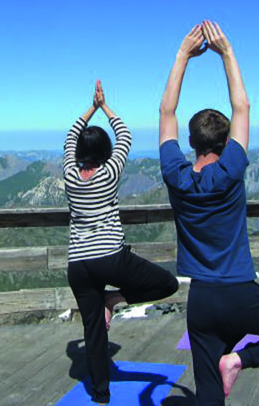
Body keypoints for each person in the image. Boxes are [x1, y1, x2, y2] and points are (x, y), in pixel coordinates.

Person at [158, 22, 259, 405]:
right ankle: (240, 360)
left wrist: (182, 56)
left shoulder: (175, 175)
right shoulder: (230, 171)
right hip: (240, 295)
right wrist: (226, 52)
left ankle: (227, 365)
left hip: (201, 300)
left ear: (189, 143)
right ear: (226, 143)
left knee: (209, 397)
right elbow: (242, 106)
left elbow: (166, 111)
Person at [64, 80, 179, 403]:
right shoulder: (110, 172)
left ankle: (100, 393)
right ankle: (114, 300)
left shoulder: (69, 175)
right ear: (105, 152)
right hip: (111, 258)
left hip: (78, 265)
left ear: (77, 153)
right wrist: (105, 107)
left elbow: (72, 133)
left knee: (93, 331)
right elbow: (124, 134)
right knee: (167, 284)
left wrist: (90, 107)